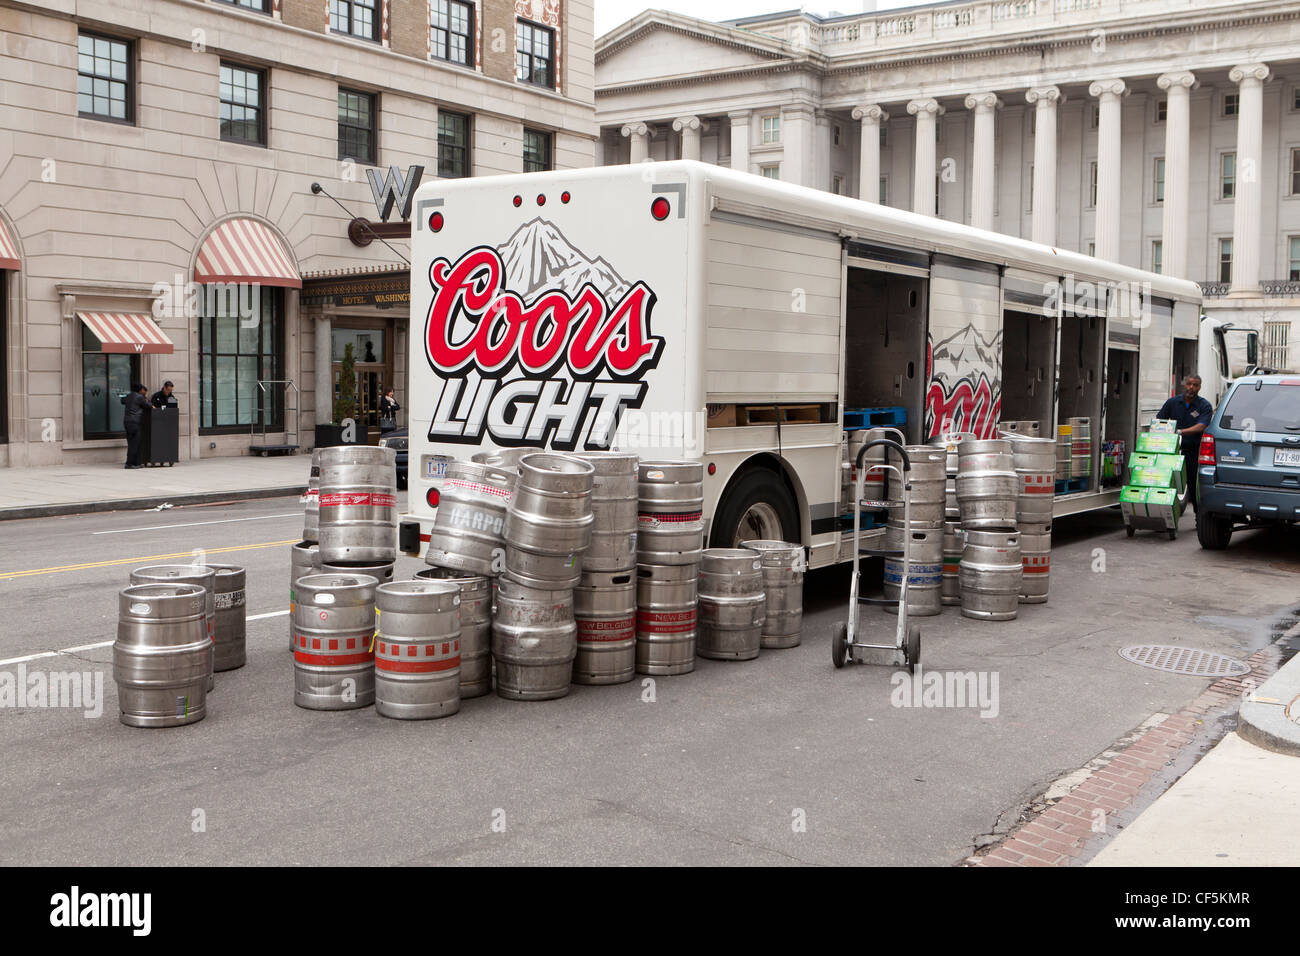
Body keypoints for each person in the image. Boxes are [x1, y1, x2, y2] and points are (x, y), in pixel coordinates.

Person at [1157, 375, 1214, 513]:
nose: (1191, 388)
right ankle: (1164, 517)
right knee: (1167, 484)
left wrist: (1180, 432)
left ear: (1199, 387)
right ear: (1185, 385)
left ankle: (1199, 517)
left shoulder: (1204, 405)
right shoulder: (1172, 402)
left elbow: (1202, 426)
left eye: (1195, 385)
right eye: (1189, 384)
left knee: (1194, 486)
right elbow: (1160, 421)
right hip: (1173, 451)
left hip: (1193, 452)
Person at [123, 383, 150, 469]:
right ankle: (129, 463)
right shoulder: (139, 397)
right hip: (134, 422)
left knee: (132, 442)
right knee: (134, 444)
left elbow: (122, 401)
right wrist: (147, 400)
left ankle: (137, 463)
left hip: (127, 422)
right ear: (139, 390)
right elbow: (147, 406)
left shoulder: (128, 396)